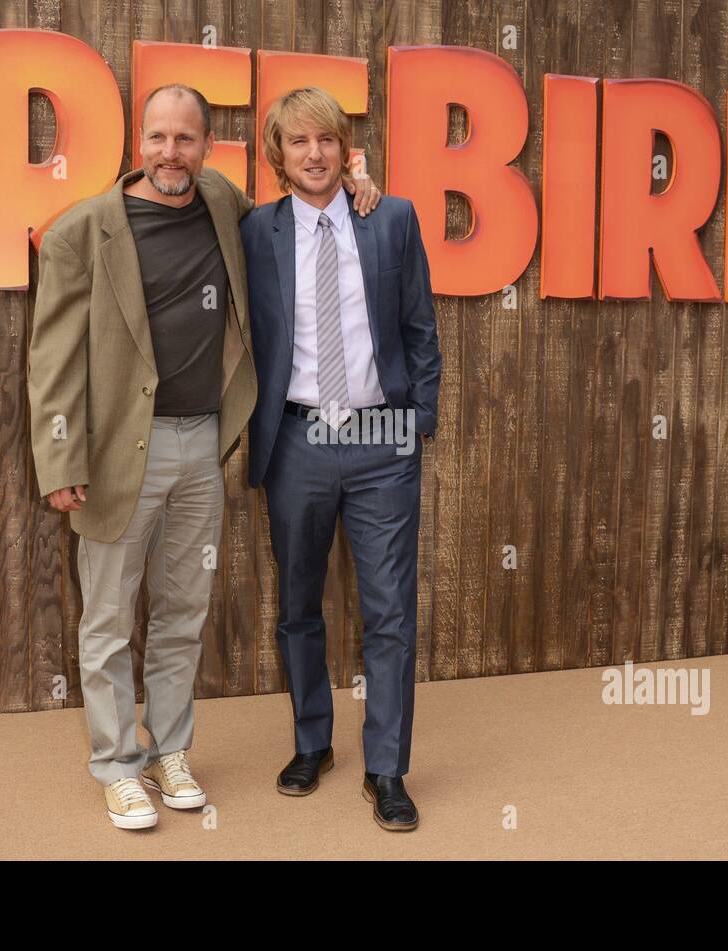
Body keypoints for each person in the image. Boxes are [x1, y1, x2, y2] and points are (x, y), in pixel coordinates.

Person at [28, 84, 379, 830]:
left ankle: (170, 751)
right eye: (158, 138)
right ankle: (118, 766)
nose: (170, 154)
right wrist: (61, 462)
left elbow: (301, 206)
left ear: (207, 147)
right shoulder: (83, 232)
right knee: (109, 618)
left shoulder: (225, 203)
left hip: (200, 446)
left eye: (185, 140)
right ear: (138, 143)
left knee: (184, 613)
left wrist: (352, 178)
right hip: (118, 452)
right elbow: (52, 360)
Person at [240, 87, 442, 831]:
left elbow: (420, 324)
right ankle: (312, 742)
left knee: (389, 612)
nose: (314, 154)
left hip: (379, 440)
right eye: (298, 142)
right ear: (278, 155)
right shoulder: (254, 231)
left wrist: (415, 421)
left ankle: (387, 768)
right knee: (298, 605)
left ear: (345, 147)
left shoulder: (389, 218)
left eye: (327, 139)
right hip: (296, 439)